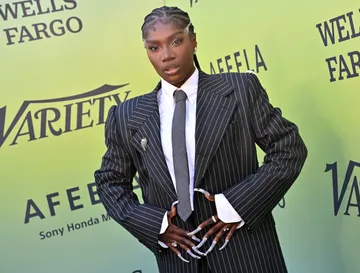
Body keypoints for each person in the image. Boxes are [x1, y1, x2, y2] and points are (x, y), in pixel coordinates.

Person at [94, 5, 307, 273]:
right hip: (179, 262)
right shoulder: (126, 116)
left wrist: (235, 206)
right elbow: (109, 182)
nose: (167, 56)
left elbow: (288, 149)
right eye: (154, 47)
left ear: (193, 40)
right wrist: (156, 227)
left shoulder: (240, 89)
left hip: (247, 254)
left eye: (176, 41)